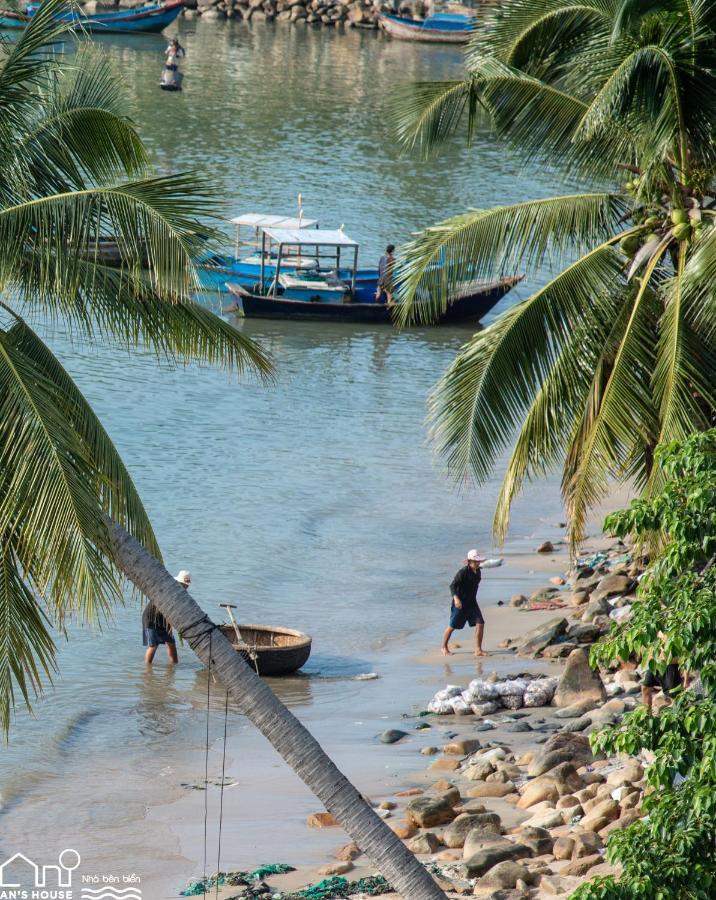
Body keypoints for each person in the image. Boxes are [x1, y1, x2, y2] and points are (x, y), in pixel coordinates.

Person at [442, 550, 487, 657]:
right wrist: (456, 599)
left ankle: (478, 650)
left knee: (480, 624)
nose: (478, 563)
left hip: (472, 603)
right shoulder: (462, 572)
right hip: (460, 603)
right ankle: (444, 647)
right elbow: (452, 586)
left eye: (478, 561)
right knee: (452, 626)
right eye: (475, 561)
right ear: (469, 561)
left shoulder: (478, 571)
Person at [143, 570, 191, 665]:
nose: (185, 587)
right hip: (151, 618)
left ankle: (174, 665)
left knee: (171, 643)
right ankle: (147, 669)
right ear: (178, 582)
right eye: (183, 584)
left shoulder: (181, 594)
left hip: (163, 620)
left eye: (186, 585)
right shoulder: (169, 590)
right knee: (153, 645)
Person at [641, 632, 689, 712]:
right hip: (655, 665)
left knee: (674, 697)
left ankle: (679, 718)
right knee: (645, 688)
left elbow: (686, 657)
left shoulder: (677, 631)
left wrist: (686, 680)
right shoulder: (656, 628)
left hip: (670, 667)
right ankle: (646, 717)